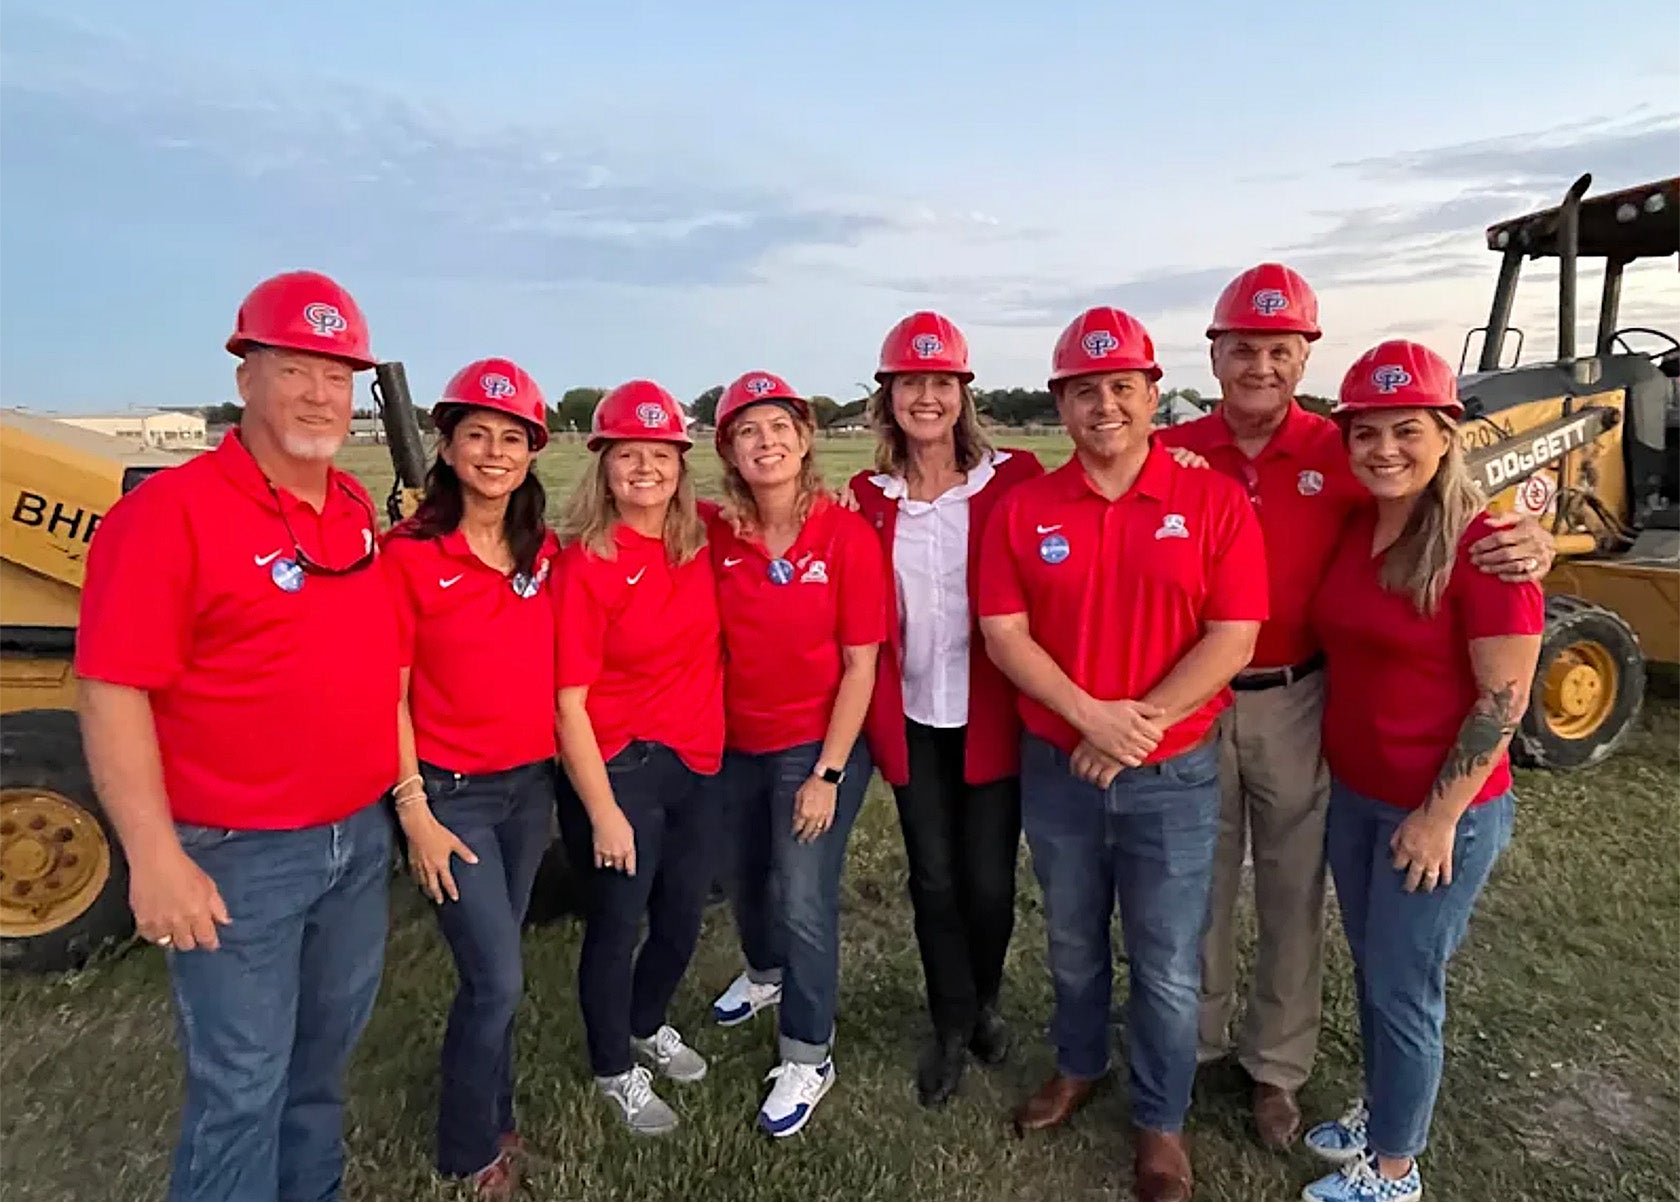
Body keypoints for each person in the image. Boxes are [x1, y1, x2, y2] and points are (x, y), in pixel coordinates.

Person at [1156, 264, 1556, 1150]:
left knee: (1293, 890)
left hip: (1298, 697)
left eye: (1280, 349)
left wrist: (1532, 540)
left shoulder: (1340, 454)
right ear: (1215, 353)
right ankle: (1196, 1044)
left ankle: (1277, 1067)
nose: (1261, 365)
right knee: (1196, 888)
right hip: (1192, 696)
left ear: (1304, 357)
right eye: (1244, 348)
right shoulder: (1174, 452)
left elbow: (1441, 502)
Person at [73, 270, 399, 1202]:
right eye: (294, 368)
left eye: (337, 376)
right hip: (237, 854)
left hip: (355, 839)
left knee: (318, 1070)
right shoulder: (168, 515)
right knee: (242, 1087)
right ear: (245, 374)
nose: (318, 394)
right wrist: (153, 857)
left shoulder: (349, 509)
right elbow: (112, 690)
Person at [977, 306, 1269, 1202]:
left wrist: (1134, 725)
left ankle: (1161, 1120)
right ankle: (1076, 1064)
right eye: (1082, 391)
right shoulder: (1026, 507)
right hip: (1060, 765)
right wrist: (1087, 718)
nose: (1103, 406)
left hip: (1172, 770)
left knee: (1167, 957)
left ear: (1152, 395)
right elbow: (1003, 633)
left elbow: (1234, 635)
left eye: (1120, 387)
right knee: (1069, 937)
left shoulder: (1211, 498)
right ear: (1060, 405)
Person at [1297, 341, 1543, 1202]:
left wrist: (1438, 816)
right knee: (1374, 967)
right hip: (1359, 795)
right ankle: (1383, 1112)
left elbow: (1503, 700)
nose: (1385, 449)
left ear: (1448, 433)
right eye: (1367, 433)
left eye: (1408, 430)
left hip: (1438, 808)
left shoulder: (1487, 548)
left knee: (1405, 982)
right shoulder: (1362, 524)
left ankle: (1396, 1168)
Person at [842, 311, 1045, 1107]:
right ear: (888, 397)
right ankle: (953, 1023)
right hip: (913, 713)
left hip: (991, 713)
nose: (926, 398)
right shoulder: (868, 495)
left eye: (941, 383)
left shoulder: (1016, 478)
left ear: (964, 394)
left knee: (989, 884)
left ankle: (985, 995)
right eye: (909, 384)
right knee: (933, 879)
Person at [380, 357, 559, 1198]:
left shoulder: (541, 550)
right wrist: (413, 809)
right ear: (446, 447)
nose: (495, 453)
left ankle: (497, 1106)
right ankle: (466, 1149)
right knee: (496, 976)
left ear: (532, 453)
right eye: (478, 436)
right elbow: (391, 694)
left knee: (500, 964)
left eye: (512, 439)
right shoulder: (408, 556)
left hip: (530, 789)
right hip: (452, 795)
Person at [704, 369, 886, 1136]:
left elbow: (861, 664)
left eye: (779, 426)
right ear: (730, 452)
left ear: (806, 439)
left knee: (804, 895)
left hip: (817, 745)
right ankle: (765, 975)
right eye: (748, 431)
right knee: (746, 876)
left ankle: (809, 1053)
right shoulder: (713, 529)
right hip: (735, 740)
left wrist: (828, 773)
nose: (766, 442)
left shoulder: (845, 531)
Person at [550, 380, 724, 1137]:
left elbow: (785, 514)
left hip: (695, 759)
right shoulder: (586, 561)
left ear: (682, 466)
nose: (646, 468)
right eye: (629, 455)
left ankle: (646, 1022)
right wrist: (602, 812)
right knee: (618, 923)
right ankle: (612, 1067)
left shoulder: (701, 536)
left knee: (683, 917)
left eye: (661, 454)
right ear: (604, 466)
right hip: (619, 765)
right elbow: (567, 704)